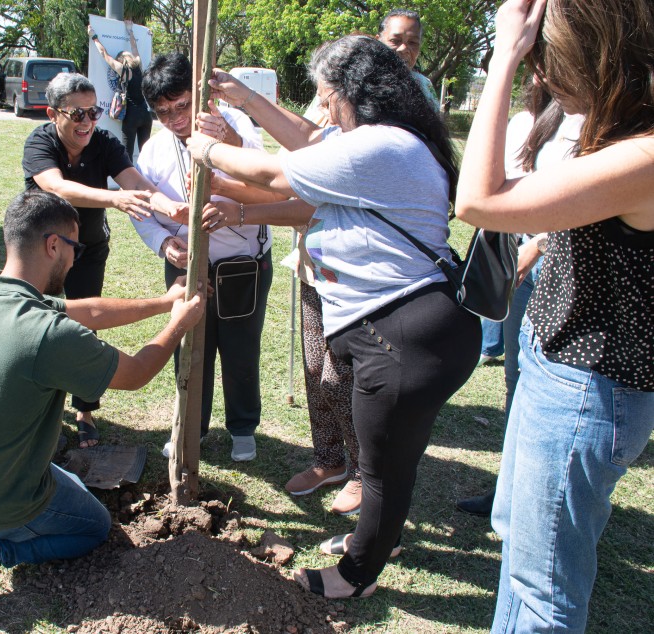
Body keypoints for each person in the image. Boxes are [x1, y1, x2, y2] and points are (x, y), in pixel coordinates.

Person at [188, 34, 480, 598]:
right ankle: (377, 538)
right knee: (385, 462)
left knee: (381, 469)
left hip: (403, 336)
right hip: (405, 328)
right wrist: (247, 100)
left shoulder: (381, 148)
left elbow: (278, 173)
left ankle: (356, 576)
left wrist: (208, 152)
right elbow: (312, 140)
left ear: (354, 95)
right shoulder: (388, 139)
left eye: (326, 97)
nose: (322, 109)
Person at [455, 1, 654, 630]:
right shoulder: (618, 132)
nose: (546, 77)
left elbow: (478, 201)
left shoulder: (645, 152)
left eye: (551, 61)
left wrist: (503, 60)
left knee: (545, 589)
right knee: (517, 543)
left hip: (588, 383)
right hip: (557, 357)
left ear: (603, 55)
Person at [0, 190, 205, 614]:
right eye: (75, 247)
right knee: (93, 526)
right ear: (54, 245)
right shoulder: (47, 335)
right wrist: (177, 325)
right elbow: (137, 373)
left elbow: (86, 311)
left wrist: (164, 303)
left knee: (65, 480)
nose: (75, 259)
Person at [23, 72, 185, 448]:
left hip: (87, 248)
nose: (87, 122)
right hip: (40, 252)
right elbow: (57, 186)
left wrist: (173, 208)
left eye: (93, 112)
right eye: (76, 114)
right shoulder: (39, 143)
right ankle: (40, 407)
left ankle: (84, 411)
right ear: (52, 113)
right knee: (37, 325)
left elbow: (135, 182)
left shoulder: (106, 142)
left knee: (83, 326)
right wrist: (112, 198)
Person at [130, 52, 272, 462]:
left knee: (241, 347)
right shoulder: (153, 151)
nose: (175, 120)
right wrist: (163, 242)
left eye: (181, 107)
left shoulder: (234, 124)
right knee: (190, 345)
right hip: (185, 263)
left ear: (199, 94)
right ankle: (192, 424)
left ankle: (243, 427)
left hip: (242, 262)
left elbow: (261, 172)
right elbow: (142, 208)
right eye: (163, 112)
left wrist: (226, 138)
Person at [457, 83, 580, 517]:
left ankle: (533, 504)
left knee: (545, 386)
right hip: (521, 263)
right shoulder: (537, 120)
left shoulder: (600, 122)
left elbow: (587, 206)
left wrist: (542, 242)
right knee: (516, 379)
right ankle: (507, 494)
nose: (536, 75)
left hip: (558, 267)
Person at [88, 20, 153, 159]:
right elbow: (134, 46)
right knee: (146, 153)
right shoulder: (138, 67)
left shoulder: (123, 71)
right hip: (146, 115)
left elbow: (104, 54)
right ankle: (148, 179)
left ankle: (128, 180)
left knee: (127, 154)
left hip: (132, 116)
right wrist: (130, 31)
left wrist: (94, 37)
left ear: (122, 60)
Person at [376, 9, 440, 109]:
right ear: (378, 42)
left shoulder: (424, 86)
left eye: (412, 43)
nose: (404, 49)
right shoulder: (358, 81)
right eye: (395, 40)